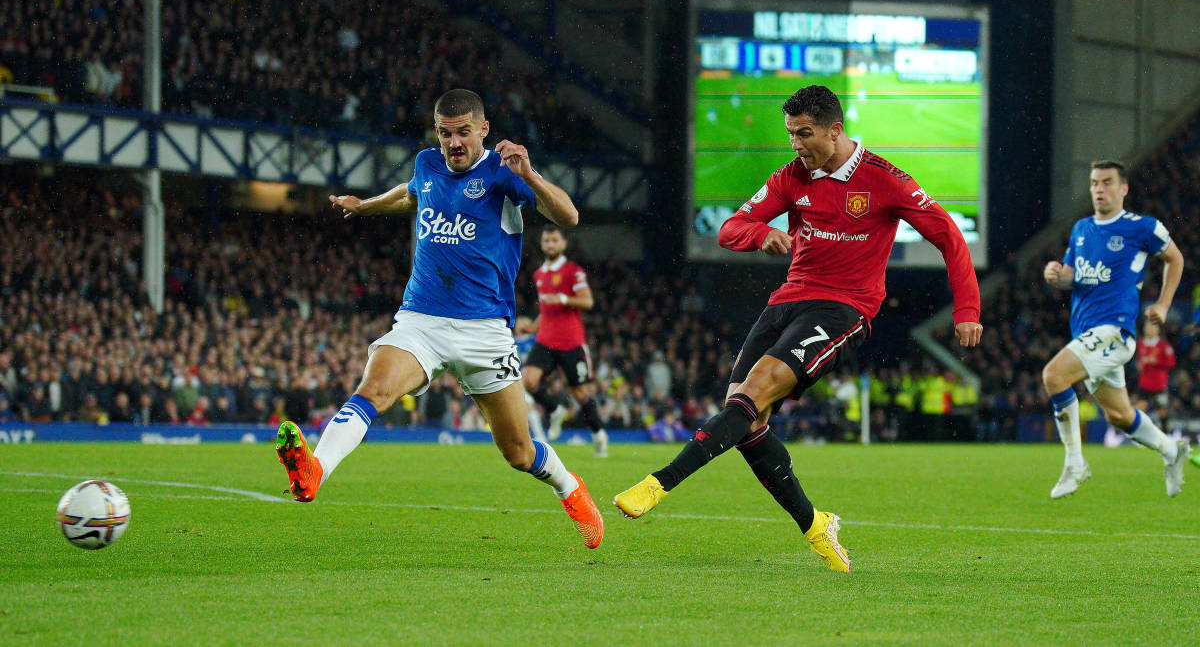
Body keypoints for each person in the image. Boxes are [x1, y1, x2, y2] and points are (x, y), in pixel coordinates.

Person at [613, 85, 982, 573]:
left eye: (804, 134)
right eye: (790, 134)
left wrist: (967, 310)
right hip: (787, 302)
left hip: (844, 311)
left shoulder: (885, 180)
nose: (795, 145)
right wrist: (760, 233)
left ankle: (659, 483)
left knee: (755, 393)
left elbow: (949, 236)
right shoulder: (792, 177)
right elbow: (730, 228)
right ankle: (816, 525)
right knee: (745, 420)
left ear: (835, 130)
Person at [274, 89, 603, 549]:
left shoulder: (503, 174)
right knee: (374, 389)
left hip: (485, 331)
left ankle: (570, 487)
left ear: (483, 130)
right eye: (445, 132)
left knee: (518, 451)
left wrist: (528, 172)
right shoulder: (427, 163)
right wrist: (367, 206)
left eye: (463, 132)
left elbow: (568, 216)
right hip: (421, 320)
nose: (453, 142)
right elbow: (411, 196)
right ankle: (315, 469)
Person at [1041, 160, 1189, 498]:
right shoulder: (1081, 229)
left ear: (1123, 189)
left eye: (1107, 183)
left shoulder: (1141, 228)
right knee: (1121, 416)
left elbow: (1175, 258)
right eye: (1094, 183)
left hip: (1115, 331)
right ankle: (1172, 451)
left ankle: (1075, 463)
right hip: (1086, 333)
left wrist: (1164, 305)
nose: (1099, 189)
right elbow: (1070, 276)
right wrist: (1056, 275)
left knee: (1054, 376)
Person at [522, 225, 609, 456]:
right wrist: (531, 327)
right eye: (546, 240)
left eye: (554, 240)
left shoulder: (573, 271)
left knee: (580, 393)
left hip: (571, 341)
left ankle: (599, 434)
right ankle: (555, 409)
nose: (550, 244)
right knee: (528, 379)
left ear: (563, 244)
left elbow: (588, 301)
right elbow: (546, 308)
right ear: (542, 244)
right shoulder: (539, 274)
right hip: (545, 340)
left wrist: (562, 297)